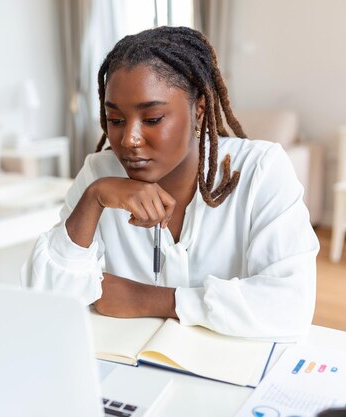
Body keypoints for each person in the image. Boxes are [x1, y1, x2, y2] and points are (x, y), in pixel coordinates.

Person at [20, 26, 319, 340]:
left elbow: (290, 304)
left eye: (152, 119)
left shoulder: (261, 170)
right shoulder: (99, 174)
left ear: (199, 110)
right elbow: (47, 300)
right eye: (116, 120)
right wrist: (93, 198)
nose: (129, 139)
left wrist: (147, 299)